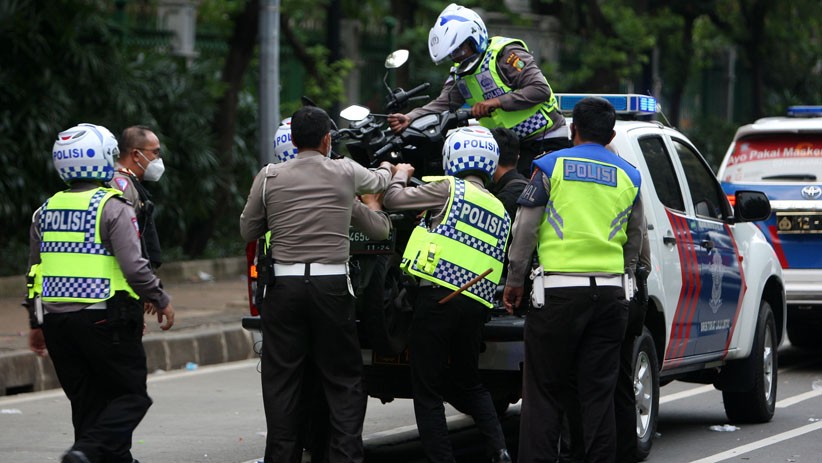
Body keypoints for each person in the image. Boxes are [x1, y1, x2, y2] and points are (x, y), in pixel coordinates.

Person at [239, 106, 402, 463]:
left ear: (293, 140)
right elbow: (378, 182)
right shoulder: (343, 171)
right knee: (343, 379)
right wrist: (393, 169)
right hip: (331, 289)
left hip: (283, 290)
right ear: (328, 139)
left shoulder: (268, 177)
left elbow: (248, 229)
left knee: (282, 383)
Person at [502, 97, 646, 463]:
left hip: (558, 297)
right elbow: (636, 239)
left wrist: (515, 280)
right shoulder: (629, 175)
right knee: (599, 395)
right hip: (611, 297)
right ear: (611, 134)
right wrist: (624, 278)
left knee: (544, 393)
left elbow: (525, 229)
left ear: (572, 129)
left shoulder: (550, 166)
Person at [25, 123, 175, 463]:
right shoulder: (112, 206)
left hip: (56, 323)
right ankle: (85, 452)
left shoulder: (45, 211)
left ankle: (102, 457)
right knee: (132, 396)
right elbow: (135, 267)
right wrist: (160, 298)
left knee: (87, 402)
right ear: (106, 157)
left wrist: (35, 322)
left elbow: (34, 272)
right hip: (105, 319)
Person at [382, 126, 513, 463]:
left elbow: (394, 200)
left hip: (437, 300)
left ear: (452, 157)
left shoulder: (448, 188)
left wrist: (399, 174)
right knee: (471, 383)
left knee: (427, 391)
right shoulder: (500, 208)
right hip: (476, 306)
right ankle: (499, 451)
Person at [387, 3, 570, 177]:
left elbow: (540, 89)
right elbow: (443, 103)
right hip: (509, 147)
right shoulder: (461, 74)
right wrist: (410, 117)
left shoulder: (505, 55)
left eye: (459, 51)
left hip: (543, 139)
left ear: (474, 39)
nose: (457, 58)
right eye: (452, 55)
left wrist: (497, 102)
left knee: (516, 192)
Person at [111, 125, 164, 270]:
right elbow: (124, 241)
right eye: (155, 152)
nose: (158, 159)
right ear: (136, 155)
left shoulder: (129, 182)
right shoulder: (121, 185)